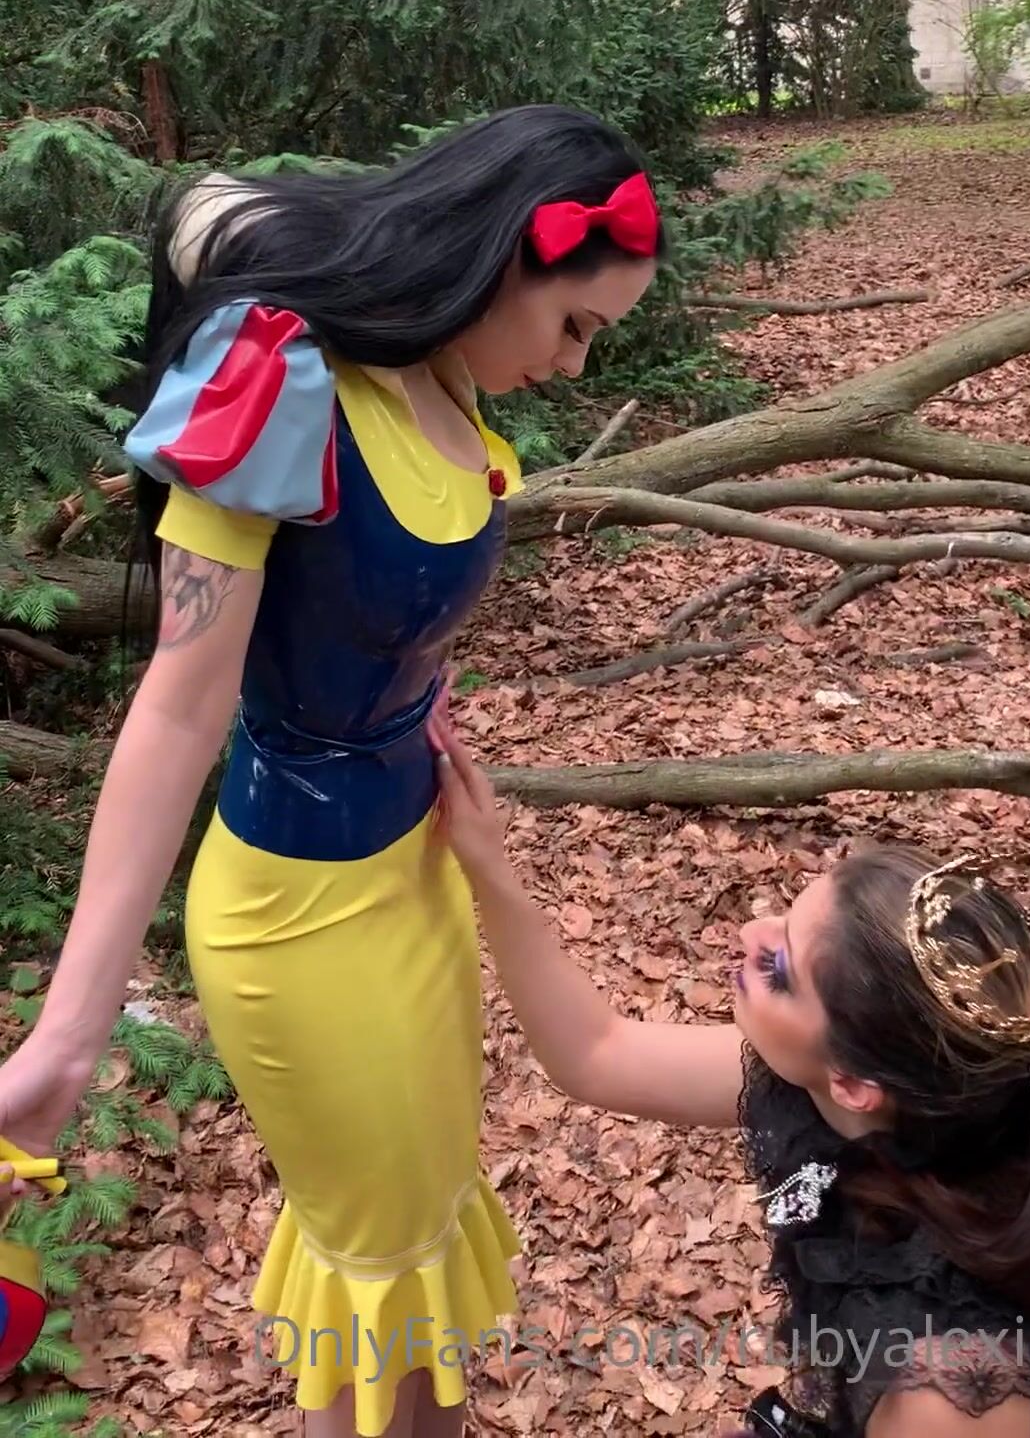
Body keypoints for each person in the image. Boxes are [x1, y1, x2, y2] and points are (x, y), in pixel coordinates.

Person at [0, 106, 663, 1437]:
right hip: (298, 919)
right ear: (503, 257)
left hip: (416, 877)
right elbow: (180, 709)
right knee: (375, 1282)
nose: (573, 364)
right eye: (576, 325)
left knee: (420, 1241)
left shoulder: (442, 368)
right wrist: (68, 1037)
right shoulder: (277, 379)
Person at [427, 716, 1030, 1438]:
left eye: (779, 967)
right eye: (784, 918)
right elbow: (597, 1053)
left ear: (855, 1083)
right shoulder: (900, 1094)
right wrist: (489, 869)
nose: (748, 934)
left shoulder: (957, 1383)